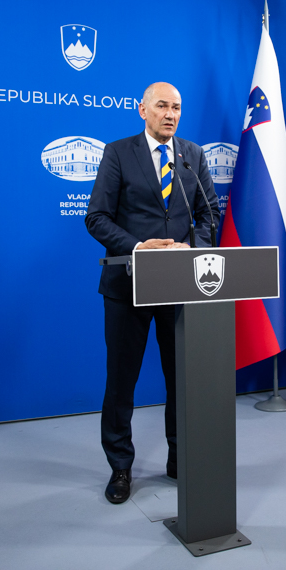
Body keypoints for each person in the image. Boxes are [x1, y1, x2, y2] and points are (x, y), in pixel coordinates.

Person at [85, 82, 219, 504]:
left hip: (180, 286)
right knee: (121, 382)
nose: (170, 114)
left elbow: (210, 212)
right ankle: (121, 468)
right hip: (128, 287)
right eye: (162, 106)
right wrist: (140, 247)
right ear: (142, 109)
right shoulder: (118, 152)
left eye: (177, 107)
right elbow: (97, 218)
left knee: (181, 380)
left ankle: (180, 458)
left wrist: (189, 246)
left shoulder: (192, 155)